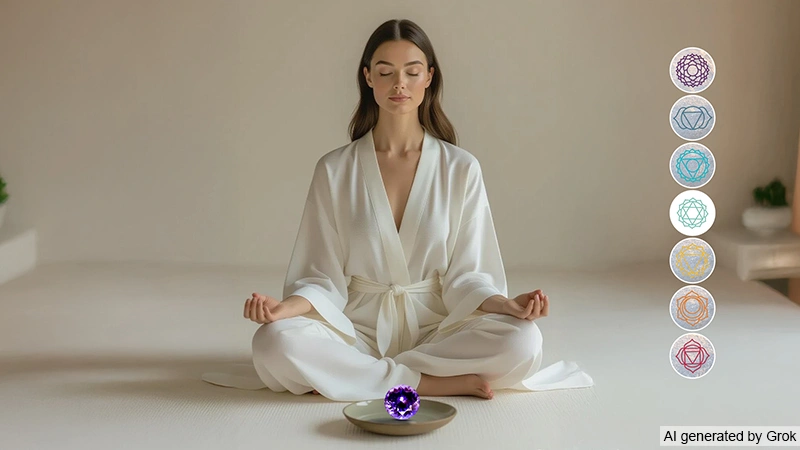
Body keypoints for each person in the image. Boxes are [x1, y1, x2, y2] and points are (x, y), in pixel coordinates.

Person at [202, 18, 593, 402]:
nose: (399, 84)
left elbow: (468, 275)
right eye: (386, 72)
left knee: (524, 340)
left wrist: (506, 305)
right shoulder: (335, 169)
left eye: (412, 72)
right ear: (368, 77)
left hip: (438, 332)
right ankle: (427, 382)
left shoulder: (460, 168)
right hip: (356, 331)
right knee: (272, 342)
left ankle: (364, 375)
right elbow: (321, 275)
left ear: (429, 78)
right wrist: (282, 308)